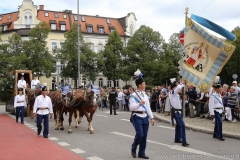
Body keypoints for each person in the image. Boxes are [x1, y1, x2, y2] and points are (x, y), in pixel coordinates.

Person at [129, 69, 154, 159]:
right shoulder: (133, 96)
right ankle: (134, 147)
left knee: (144, 136)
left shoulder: (145, 95)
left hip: (145, 117)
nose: (145, 85)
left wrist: (152, 118)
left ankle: (142, 152)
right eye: (144, 84)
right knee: (140, 134)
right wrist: (139, 104)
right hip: (137, 116)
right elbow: (131, 108)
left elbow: (148, 108)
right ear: (139, 85)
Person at [169, 78, 189, 147]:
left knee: (179, 125)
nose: (178, 89)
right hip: (175, 112)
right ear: (173, 88)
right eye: (176, 87)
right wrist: (181, 83)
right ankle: (184, 141)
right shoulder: (171, 93)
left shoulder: (177, 95)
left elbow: (181, 104)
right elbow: (178, 88)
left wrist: (185, 99)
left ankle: (177, 138)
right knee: (182, 125)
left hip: (179, 111)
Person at [209, 76, 225, 141]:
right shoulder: (213, 96)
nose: (221, 89)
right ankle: (220, 135)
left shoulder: (219, 95)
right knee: (220, 122)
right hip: (216, 110)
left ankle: (215, 134)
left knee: (217, 123)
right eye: (220, 88)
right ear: (217, 89)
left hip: (220, 110)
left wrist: (223, 109)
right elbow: (211, 105)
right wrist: (212, 113)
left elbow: (221, 103)